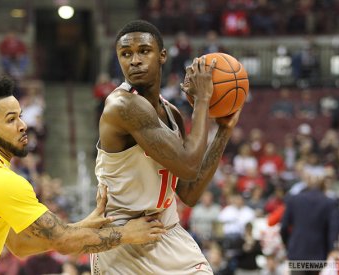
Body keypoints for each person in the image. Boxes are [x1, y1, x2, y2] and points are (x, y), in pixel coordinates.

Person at [0, 75, 166, 274]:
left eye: (21, 116)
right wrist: (127, 234)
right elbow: (62, 241)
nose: (23, 125)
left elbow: (20, 245)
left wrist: (80, 226)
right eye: (11, 119)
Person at [91, 20, 241, 274]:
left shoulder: (172, 114)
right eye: (126, 54)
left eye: (144, 51)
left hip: (167, 230)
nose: (134, 60)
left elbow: (190, 192)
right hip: (125, 238)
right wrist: (204, 99)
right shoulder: (122, 106)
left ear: (162, 56)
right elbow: (190, 165)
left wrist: (223, 131)